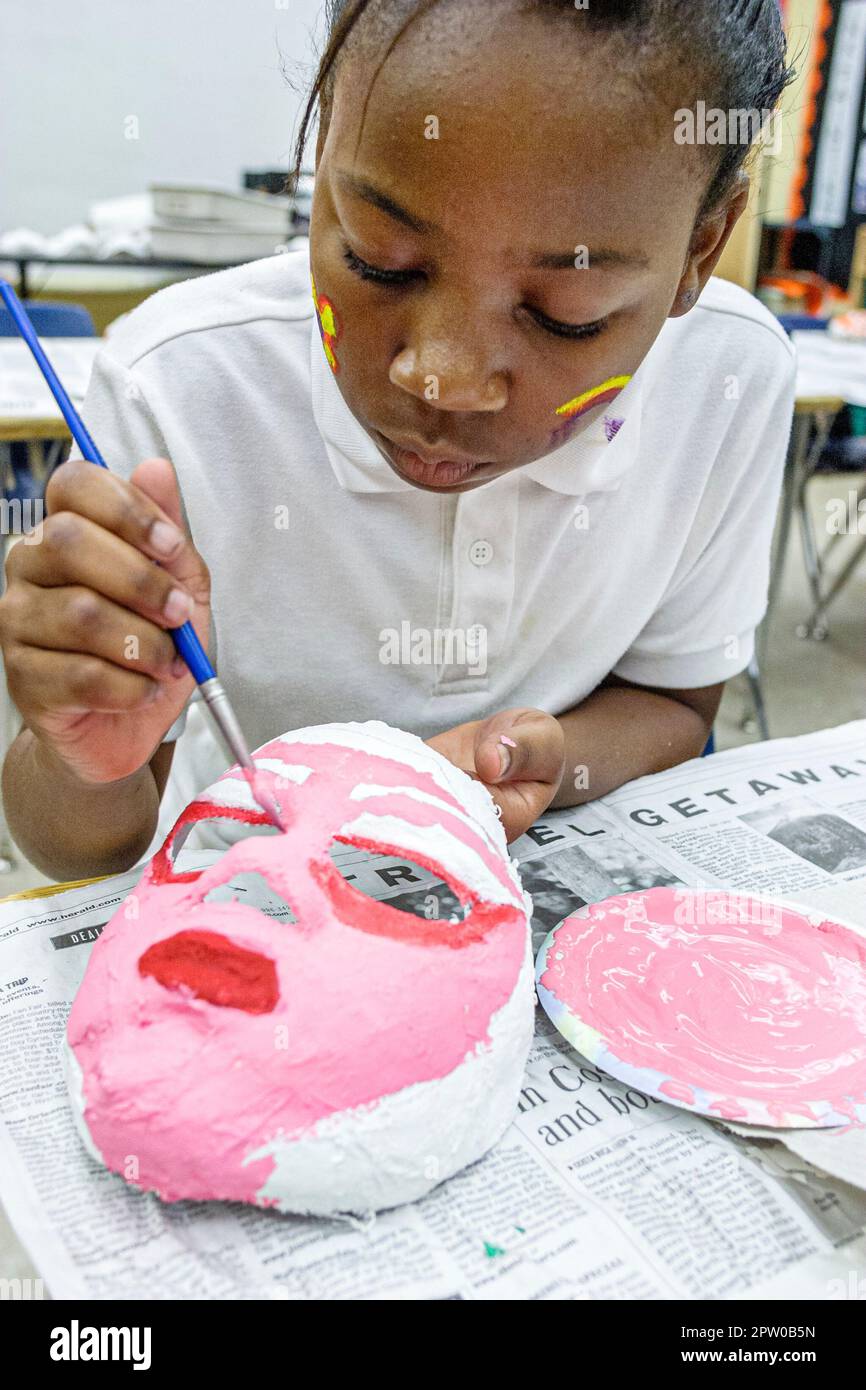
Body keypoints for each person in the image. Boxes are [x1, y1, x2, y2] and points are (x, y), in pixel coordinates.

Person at [0, 0, 796, 879]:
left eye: (566, 314)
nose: (441, 379)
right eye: (380, 260)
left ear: (703, 247)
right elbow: (74, 845)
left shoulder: (729, 376)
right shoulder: (175, 392)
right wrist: (84, 761)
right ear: (323, 153)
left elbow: (679, 699)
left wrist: (559, 754)